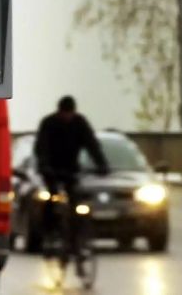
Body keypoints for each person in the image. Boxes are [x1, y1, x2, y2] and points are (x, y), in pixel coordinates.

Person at [33, 96, 109, 251]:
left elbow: (92, 145)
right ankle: (48, 229)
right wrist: (44, 165)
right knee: (52, 196)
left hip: (71, 169)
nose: (68, 117)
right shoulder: (49, 123)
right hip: (51, 169)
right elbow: (41, 147)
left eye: (70, 113)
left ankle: (75, 236)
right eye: (65, 114)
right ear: (59, 112)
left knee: (75, 199)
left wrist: (102, 164)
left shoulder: (80, 123)